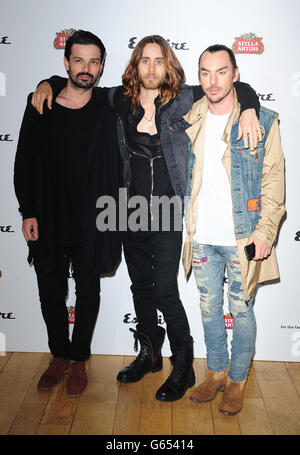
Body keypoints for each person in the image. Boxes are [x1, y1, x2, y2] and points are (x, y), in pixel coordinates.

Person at [31, 35, 261, 402]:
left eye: (159, 60)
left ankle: (182, 366)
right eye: (145, 60)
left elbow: (234, 85)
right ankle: (149, 355)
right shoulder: (119, 100)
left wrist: (248, 106)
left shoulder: (186, 98)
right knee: (141, 288)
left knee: (166, 291)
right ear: (135, 65)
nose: (152, 68)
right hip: (128, 210)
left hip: (168, 211)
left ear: (167, 65)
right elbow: (80, 82)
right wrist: (50, 82)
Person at [14, 30, 121, 397]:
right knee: (50, 290)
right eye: (78, 60)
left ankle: (78, 360)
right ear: (66, 62)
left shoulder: (109, 105)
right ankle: (58, 355)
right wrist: (28, 211)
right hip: (48, 214)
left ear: (102, 66)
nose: (85, 68)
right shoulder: (40, 102)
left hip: (92, 218)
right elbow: (23, 161)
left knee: (88, 290)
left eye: (93, 61)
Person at [182, 44, 285, 415]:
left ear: (236, 75)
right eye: (206, 73)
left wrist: (266, 232)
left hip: (243, 238)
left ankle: (238, 378)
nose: (213, 80)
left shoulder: (263, 121)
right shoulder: (190, 116)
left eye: (222, 71)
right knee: (209, 310)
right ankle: (215, 372)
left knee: (241, 311)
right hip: (202, 236)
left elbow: (274, 182)